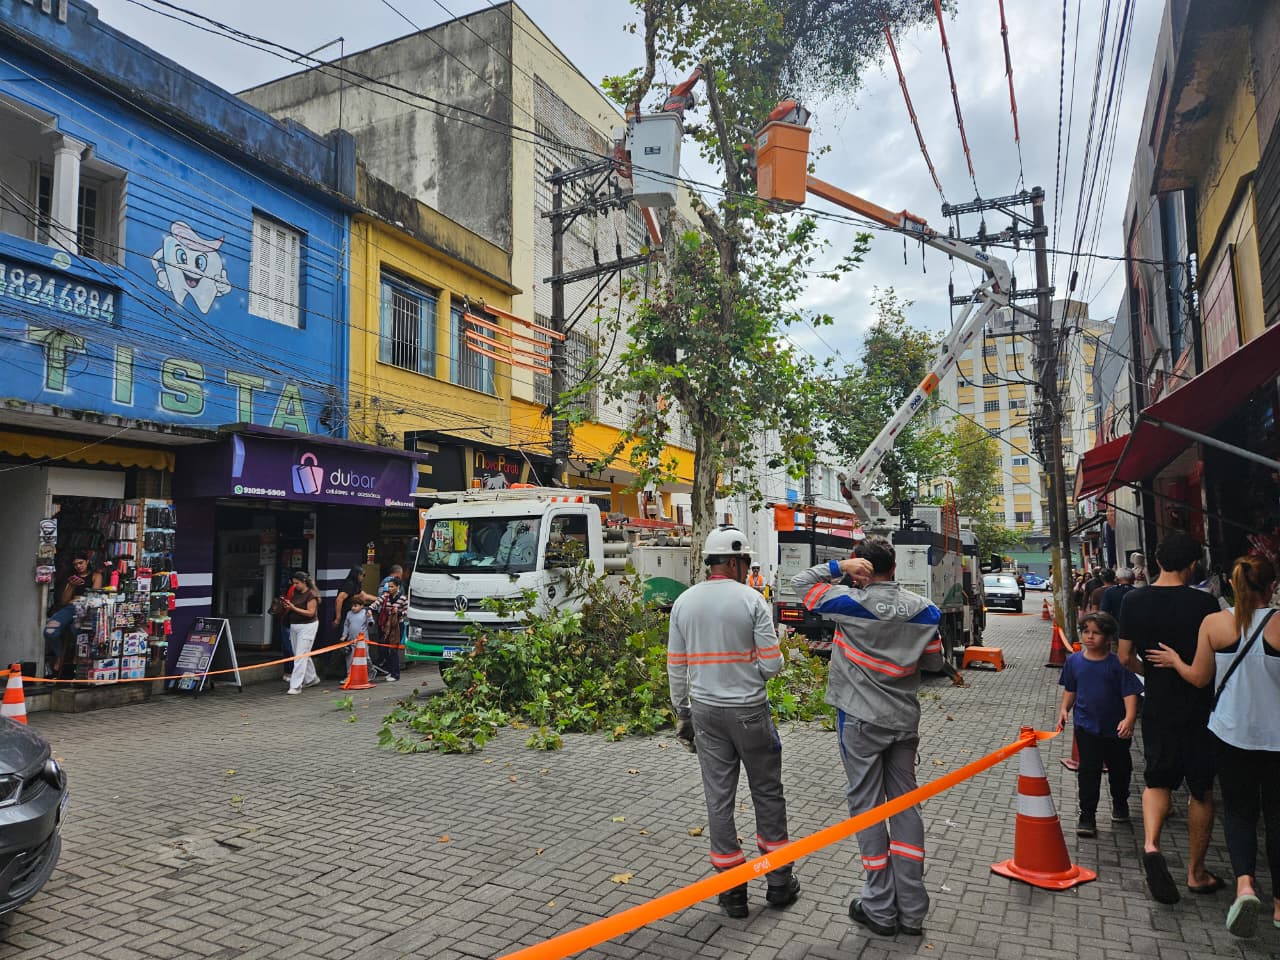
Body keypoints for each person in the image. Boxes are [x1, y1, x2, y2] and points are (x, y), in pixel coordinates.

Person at [793, 536, 965, 938]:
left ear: (861, 568)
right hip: (903, 723)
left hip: (859, 722)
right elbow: (936, 661)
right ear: (894, 568)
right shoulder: (926, 610)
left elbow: (800, 584)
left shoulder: (849, 603)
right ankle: (912, 910)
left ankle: (879, 907)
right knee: (906, 807)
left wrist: (838, 569)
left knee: (868, 809)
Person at [1146, 555, 1280, 938]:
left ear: (1232, 586)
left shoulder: (1215, 624)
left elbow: (1200, 678)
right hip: (1277, 740)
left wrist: (1174, 661)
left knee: (1239, 815)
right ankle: (1279, 907)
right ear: (1271, 586)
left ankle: (1244, 887)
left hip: (1230, 735)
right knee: (1276, 817)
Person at [667, 525, 797, 919]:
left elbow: (676, 667)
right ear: (737, 561)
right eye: (746, 563)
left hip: (705, 713)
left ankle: (732, 890)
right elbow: (773, 665)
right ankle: (778, 883)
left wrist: (682, 712)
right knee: (767, 793)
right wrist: (752, 672)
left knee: (718, 798)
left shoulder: (685, 602)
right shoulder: (752, 600)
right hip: (749, 712)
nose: (748, 569)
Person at [1117, 531, 1222, 903]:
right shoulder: (1205, 605)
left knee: (1157, 781)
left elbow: (1125, 656)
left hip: (1158, 704)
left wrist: (1151, 671)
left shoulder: (1134, 600)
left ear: (1157, 562)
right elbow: (1210, 665)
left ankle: (1150, 845)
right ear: (1194, 564)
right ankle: (1196, 873)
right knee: (1200, 789)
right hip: (1197, 707)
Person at [1056, 612, 1143, 836]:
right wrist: (1064, 709)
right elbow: (1071, 689)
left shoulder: (1118, 664)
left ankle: (1120, 803)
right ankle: (1087, 816)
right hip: (1086, 727)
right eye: (1086, 632)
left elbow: (1130, 693)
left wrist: (1129, 718)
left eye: (1096, 633)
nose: (1090, 637)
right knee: (1088, 771)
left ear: (1108, 637)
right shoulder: (1074, 661)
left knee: (1120, 769)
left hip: (1116, 729)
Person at [43, 552, 100, 678]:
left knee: (77, 630)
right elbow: (64, 601)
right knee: (49, 631)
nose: (78, 566)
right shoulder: (71, 578)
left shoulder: (96, 576)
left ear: (87, 561)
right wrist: (71, 586)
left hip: (86, 609)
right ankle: (59, 655)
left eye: (81, 563)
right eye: (75, 564)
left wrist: (80, 598)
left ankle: (76, 658)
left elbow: (95, 596)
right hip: (71, 607)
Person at [282, 570, 321, 695]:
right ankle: (311, 678)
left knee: (299, 656)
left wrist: (293, 608)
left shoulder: (311, 595)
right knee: (300, 653)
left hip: (308, 626)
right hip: (295, 625)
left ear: (304, 582)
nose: (295, 586)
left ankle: (296, 685)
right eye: (293, 583)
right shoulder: (295, 592)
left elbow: (311, 613)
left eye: (297, 583)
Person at [369, 577, 408, 682]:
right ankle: (390, 670)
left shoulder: (403, 598)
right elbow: (377, 602)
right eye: (389, 586)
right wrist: (370, 609)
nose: (390, 589)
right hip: (387, 626)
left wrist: (399, 613)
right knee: (384, 648)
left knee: (393, 650)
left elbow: (407, 611)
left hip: (398, 626)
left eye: (392, 586)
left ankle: (396, 674)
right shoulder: (386, 597)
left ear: (397, 587)